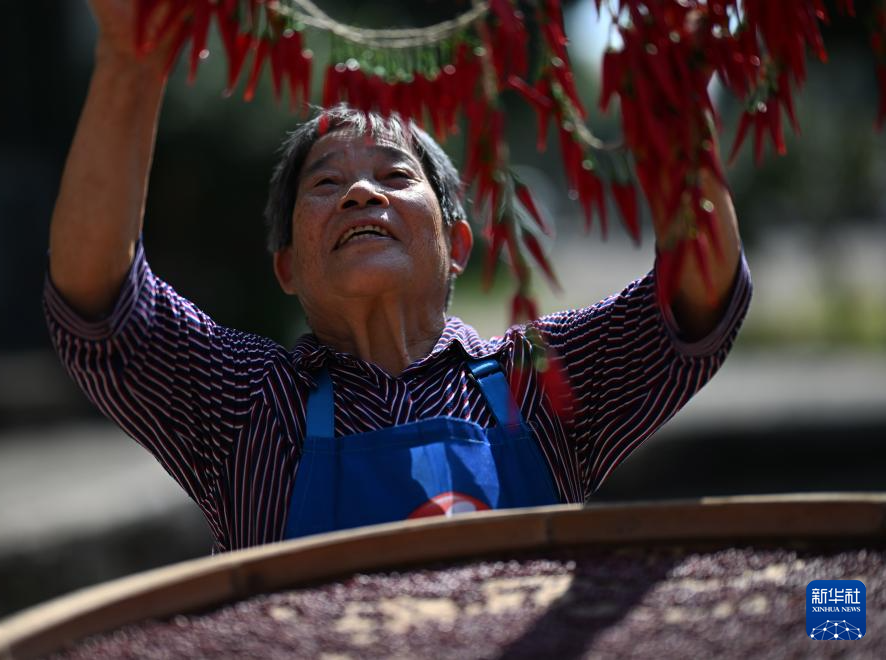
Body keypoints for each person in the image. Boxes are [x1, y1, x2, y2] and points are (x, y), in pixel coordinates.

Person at [45, 1, 751, 552]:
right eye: (326, 183)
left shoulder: (537, 384)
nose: (361, 193)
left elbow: (696, 301)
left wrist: (674, 94)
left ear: (457, 245)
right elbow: (103, 313)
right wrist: (131, 61)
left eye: (394, 175)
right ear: (287, 266)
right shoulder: (249, 407)